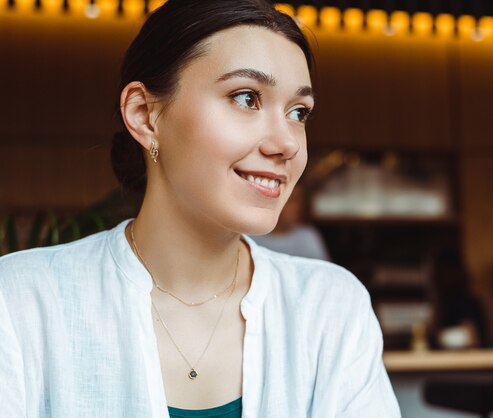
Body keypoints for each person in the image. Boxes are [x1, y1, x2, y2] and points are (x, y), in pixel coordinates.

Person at [0, 1, 401, 417]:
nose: (287, 144)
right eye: (246, 98)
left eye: (298, 112)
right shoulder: (21, 302)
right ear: (144, 115)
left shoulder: (329, 307)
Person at [252, 185, 331, 260]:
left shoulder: (307, 236)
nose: (297, 207)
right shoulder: (251, 237)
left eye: (299, 201)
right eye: (291, 200)